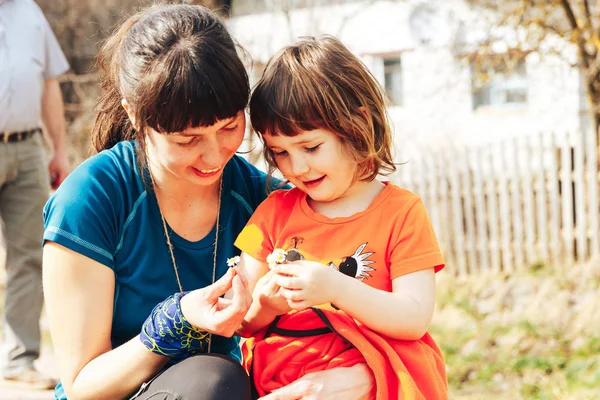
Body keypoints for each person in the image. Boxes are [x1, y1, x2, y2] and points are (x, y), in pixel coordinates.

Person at [42, 5, 373, 400]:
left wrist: (361, 378)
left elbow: (370, 320)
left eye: (230, 127)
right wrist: (173, 323)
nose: (216, 156)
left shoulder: (267, 201)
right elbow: (82, 385)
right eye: (188, 140)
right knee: (214, 381)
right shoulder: (91, 198)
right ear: (135, 114)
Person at [234, 36, 448, 399]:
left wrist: (334, 287)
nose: (296, 167)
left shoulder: (402, 212)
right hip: (279, 382)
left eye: (311, 147)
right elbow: (242, 322)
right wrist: (265, 306)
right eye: (280, 152)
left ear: (356, 123)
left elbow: (414, 318)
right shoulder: (272, 213)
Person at [0, 0, 70, 389]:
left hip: (28, 149)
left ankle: (19, 358)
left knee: (29, 254)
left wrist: (57, 149)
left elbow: (48, 83)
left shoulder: (29, 10)